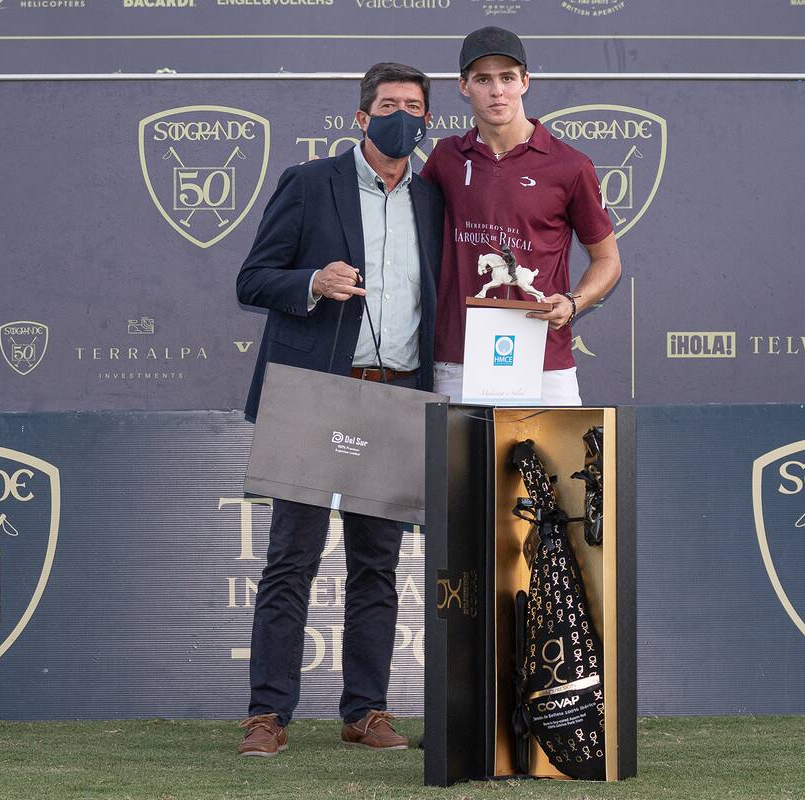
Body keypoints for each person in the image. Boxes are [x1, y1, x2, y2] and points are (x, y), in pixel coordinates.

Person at [233, 62, 444, 757]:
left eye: (415, 107)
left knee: (377, 564)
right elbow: (252, 280)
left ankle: (366, 712)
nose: (402, 117)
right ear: (361, 118)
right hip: (314, 395)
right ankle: (268, 714)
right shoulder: (308, 182)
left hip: (394, 392)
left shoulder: (433, 198)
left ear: (427, 120)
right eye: (388, 105)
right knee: (290, 559)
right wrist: (313, 281)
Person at [421, 26, 623, 405]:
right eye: (483, 79)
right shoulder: (445, 158)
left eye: (507, 78)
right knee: (456, 468)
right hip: (456, 361)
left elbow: (608, 260)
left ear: (525, 82)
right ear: (464, 86)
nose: (497, 90)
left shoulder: (571, 165)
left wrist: (573, 302)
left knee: (553, 467)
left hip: (545, 362)